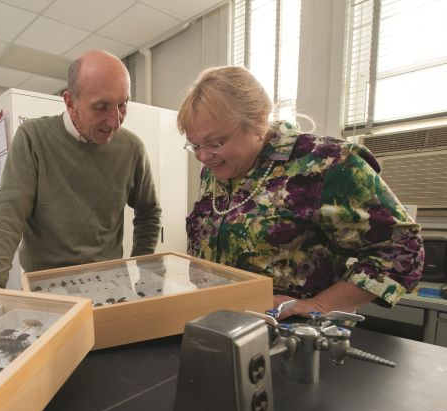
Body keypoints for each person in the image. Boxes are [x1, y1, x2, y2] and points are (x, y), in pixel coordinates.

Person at [176, 66, 424, 319]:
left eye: (216, 142)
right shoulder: (216, 170)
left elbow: (402, 249)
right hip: (217, 326)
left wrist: (321, 306)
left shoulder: (328, 163)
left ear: (259, 120)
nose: (203, 156)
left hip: (291, 341)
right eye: (195, 145)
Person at [0, 50, 162, 288]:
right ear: (70, 102)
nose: (115, 121)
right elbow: (8, 215)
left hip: (109, 279)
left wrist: (142, 270)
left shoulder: (132, 148)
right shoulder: (33, 138)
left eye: (123, 104)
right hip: (46, 282)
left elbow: (149, 212)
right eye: (101, 107)